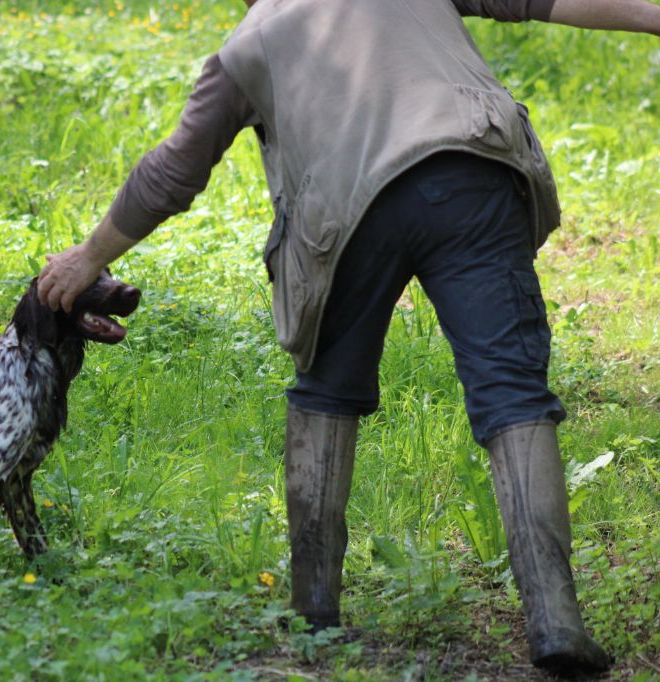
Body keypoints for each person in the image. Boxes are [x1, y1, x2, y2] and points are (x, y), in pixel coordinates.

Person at [37, 0, 660, 674]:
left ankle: (313, 611)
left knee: (327, 390)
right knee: (512, 391)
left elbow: (171, 173)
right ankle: (556, 621)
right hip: (471, 173)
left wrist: (90, 256)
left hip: (347, 214)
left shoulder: (248, 47)